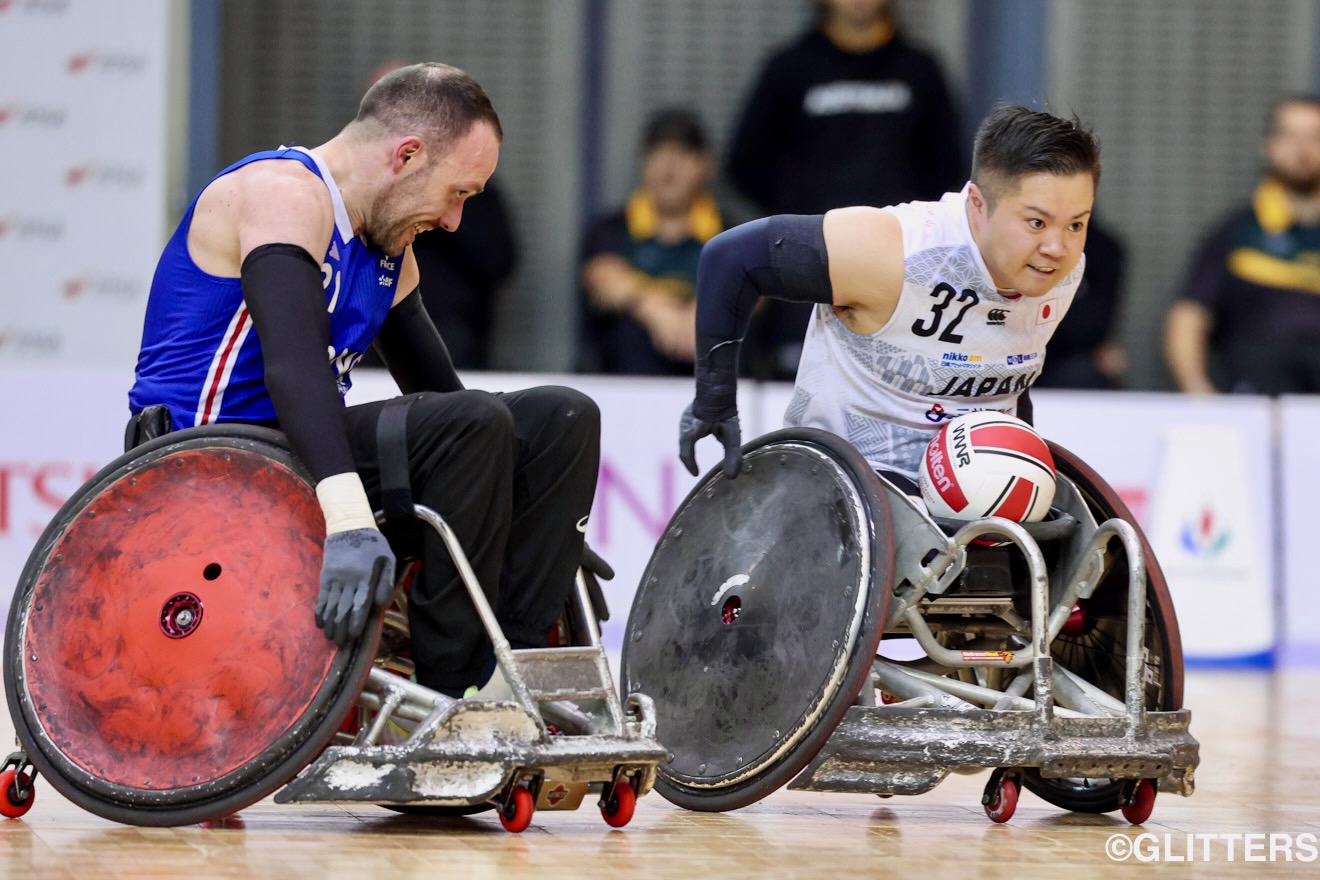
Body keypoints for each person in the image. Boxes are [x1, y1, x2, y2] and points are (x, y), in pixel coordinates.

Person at [127, 63, 600, 699]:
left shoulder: (384, 244)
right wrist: (349, 518)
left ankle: (508, 680)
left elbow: (442, 390)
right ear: (407, 155)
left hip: (298, 455)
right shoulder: (283, 194)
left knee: (560, 417)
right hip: (208, 464)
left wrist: (538, 517)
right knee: (471, 429)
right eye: (458, 193)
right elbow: (294, 366)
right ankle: (446, 700)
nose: (456, 221)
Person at [678, 104, 1100, 490]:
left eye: (1076, 225)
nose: (1057, 248)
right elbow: (730, 257)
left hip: (974, 483)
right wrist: (713, 401)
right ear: (977, 205)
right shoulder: (894, 250)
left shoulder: (1060, 272)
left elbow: (1005, 363)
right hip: (848, 485)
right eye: (1036, 222)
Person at [726, 0, 965, 380]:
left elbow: (949, 166)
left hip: (901, 272)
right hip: (808, 270)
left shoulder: (920, 70)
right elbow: (745, 162)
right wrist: (798, 214)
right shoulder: (790, 68)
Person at [1164, 95, 1320, 395]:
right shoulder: (1237, 231)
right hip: (1256, 397)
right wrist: (1197, 391)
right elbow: (1188, 315)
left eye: (1314, 137)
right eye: (1290, 135)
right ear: (1269, 147)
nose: (1303, 150)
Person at [578, 108, 723, 375]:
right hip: (630, 375)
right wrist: (650, 307)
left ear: (705, 164)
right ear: (644, 162)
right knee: (631, 331)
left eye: (682, 155)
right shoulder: (611, 227)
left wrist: (704, 313)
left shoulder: (728, 229)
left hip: (706, 371)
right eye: (658, 154)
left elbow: (756, 292)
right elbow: (603, 281)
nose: (669, 168)